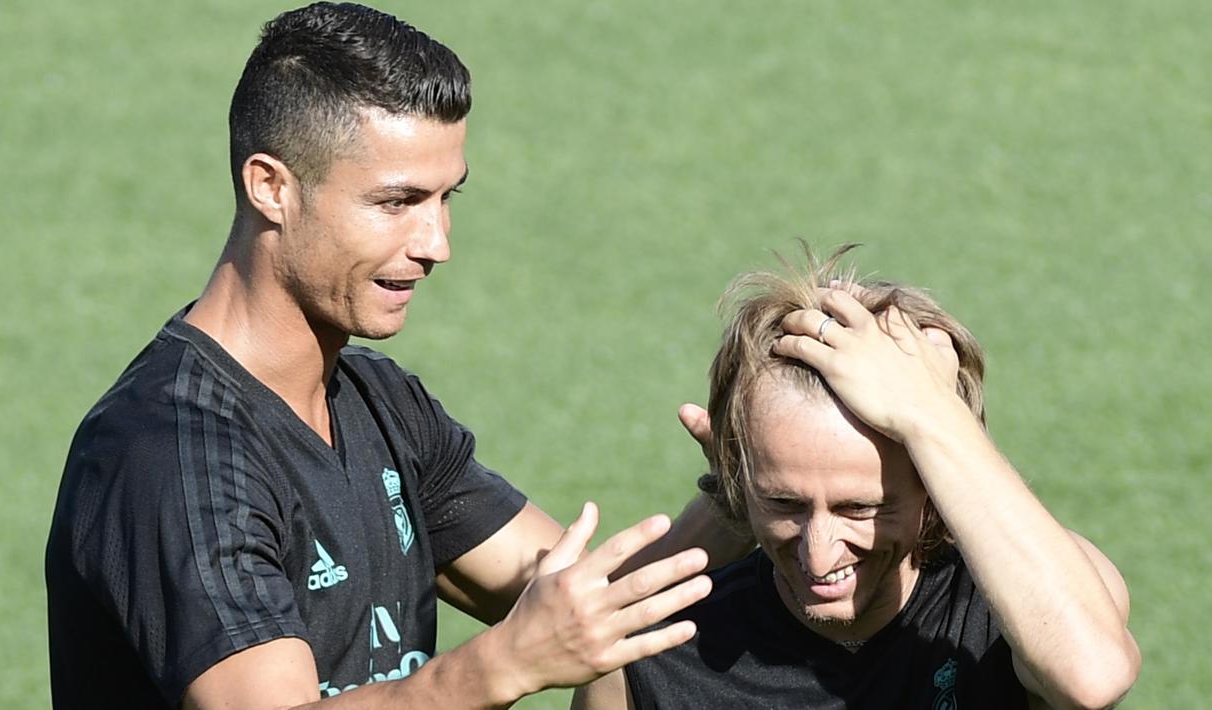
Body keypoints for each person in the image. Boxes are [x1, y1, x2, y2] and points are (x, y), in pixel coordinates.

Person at [44, 4, 746, 707]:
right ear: (271, 187)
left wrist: (739, 501)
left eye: (446, 198)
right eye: (397, 201)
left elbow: (578, 609)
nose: (435, 242)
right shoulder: (169, 453)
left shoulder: (379, 403)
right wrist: (499, 666)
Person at [575, 246, 1140, 709]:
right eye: (783, 502)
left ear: (933, 482)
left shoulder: (1015, 609)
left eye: (860, 508)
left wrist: (935, 417)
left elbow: (1091, 678)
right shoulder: (653, 660)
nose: (818, 559)